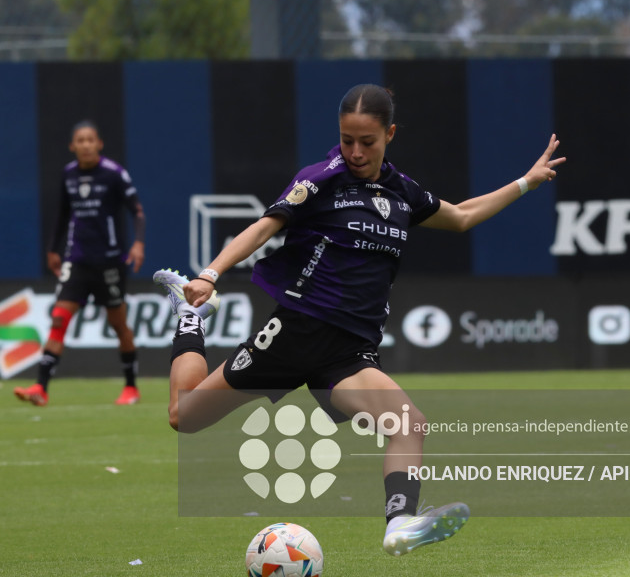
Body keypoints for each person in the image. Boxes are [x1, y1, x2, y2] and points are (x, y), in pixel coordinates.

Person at [153, 84, 565, 555]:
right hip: (296, 334)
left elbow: (462, 216)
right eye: (346, 139)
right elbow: (265, 226)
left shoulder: (403, 191)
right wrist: (210, 274)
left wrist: (526, 182)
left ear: (389, 134)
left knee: (408, 424)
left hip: (349, 351)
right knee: (183, 416)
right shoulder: (321, 179)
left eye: (367, 141)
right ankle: (190, 317)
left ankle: (399, 524)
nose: (355, 152)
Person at [14, 121, 146, 407]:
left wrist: (138, 243)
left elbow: (137, 211)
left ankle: (131, 387)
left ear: (99, 144)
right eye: (80, 140)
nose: (85, 144)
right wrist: (53, 249)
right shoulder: (69, 174)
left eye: (90, 139)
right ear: (72, 146)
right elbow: (63, 213)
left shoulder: (114, 173)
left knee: (118, 325)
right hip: (77, 260)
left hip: (109, 263)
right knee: (59, 317)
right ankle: (41, 388)